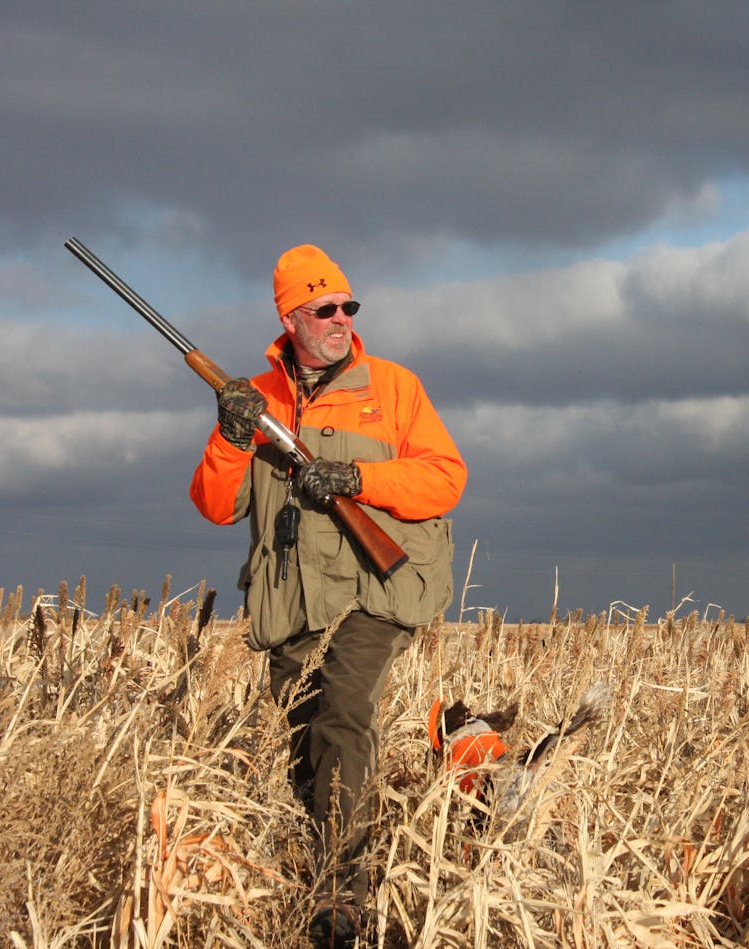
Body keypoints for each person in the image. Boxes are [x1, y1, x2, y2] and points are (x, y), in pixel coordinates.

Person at [190, 244, 467, 945]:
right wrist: (231, 435)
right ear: (291, 318)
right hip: (294, 597)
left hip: (381, 585)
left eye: (349, 305)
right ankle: (310, 861)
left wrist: (354, 479)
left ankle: (344, 891)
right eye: (325, 308)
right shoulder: (255, 399)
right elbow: (214, 504)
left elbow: (445, 477)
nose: (342, 318)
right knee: (302, 734)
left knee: (343, 705)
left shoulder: (393, 388)